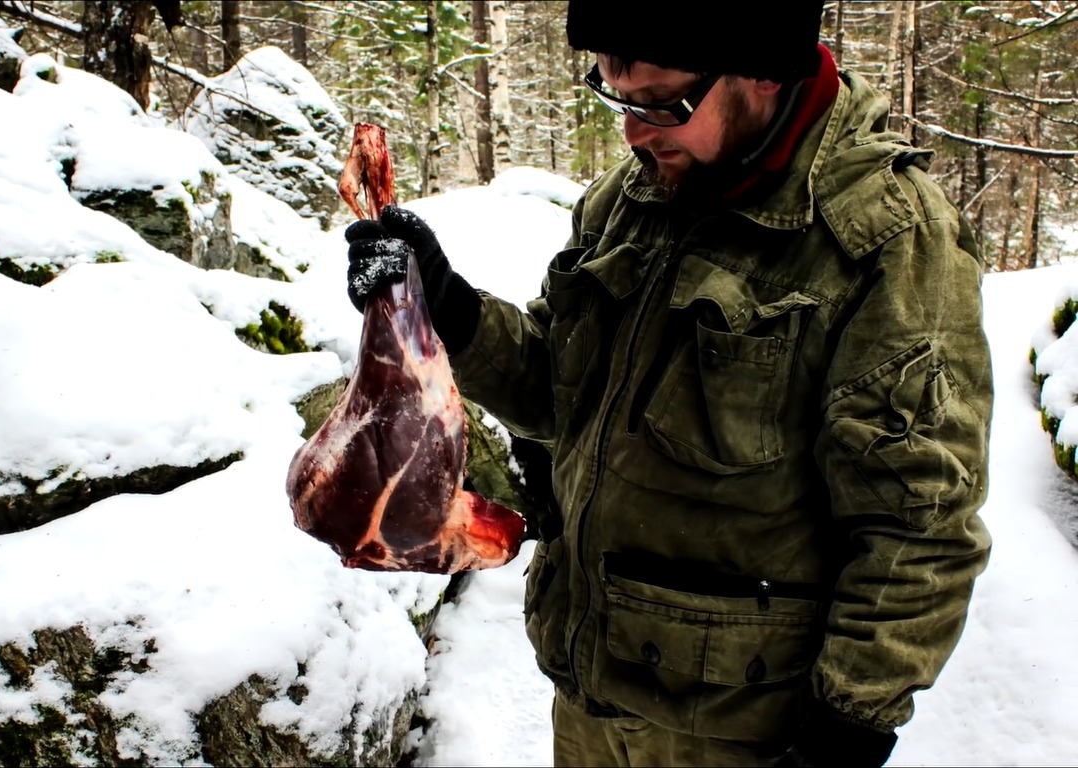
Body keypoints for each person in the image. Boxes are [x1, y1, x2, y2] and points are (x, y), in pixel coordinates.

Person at [343, 2, 994, 766]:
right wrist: (448, 307)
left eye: (661, 104)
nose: (633, 132)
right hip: (591, 697)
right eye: (616, 95)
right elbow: (559, 394)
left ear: (760, 68)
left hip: (743, 734)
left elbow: (921, 525)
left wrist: (847, 727)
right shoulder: (634, 195)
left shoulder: (881, 239)